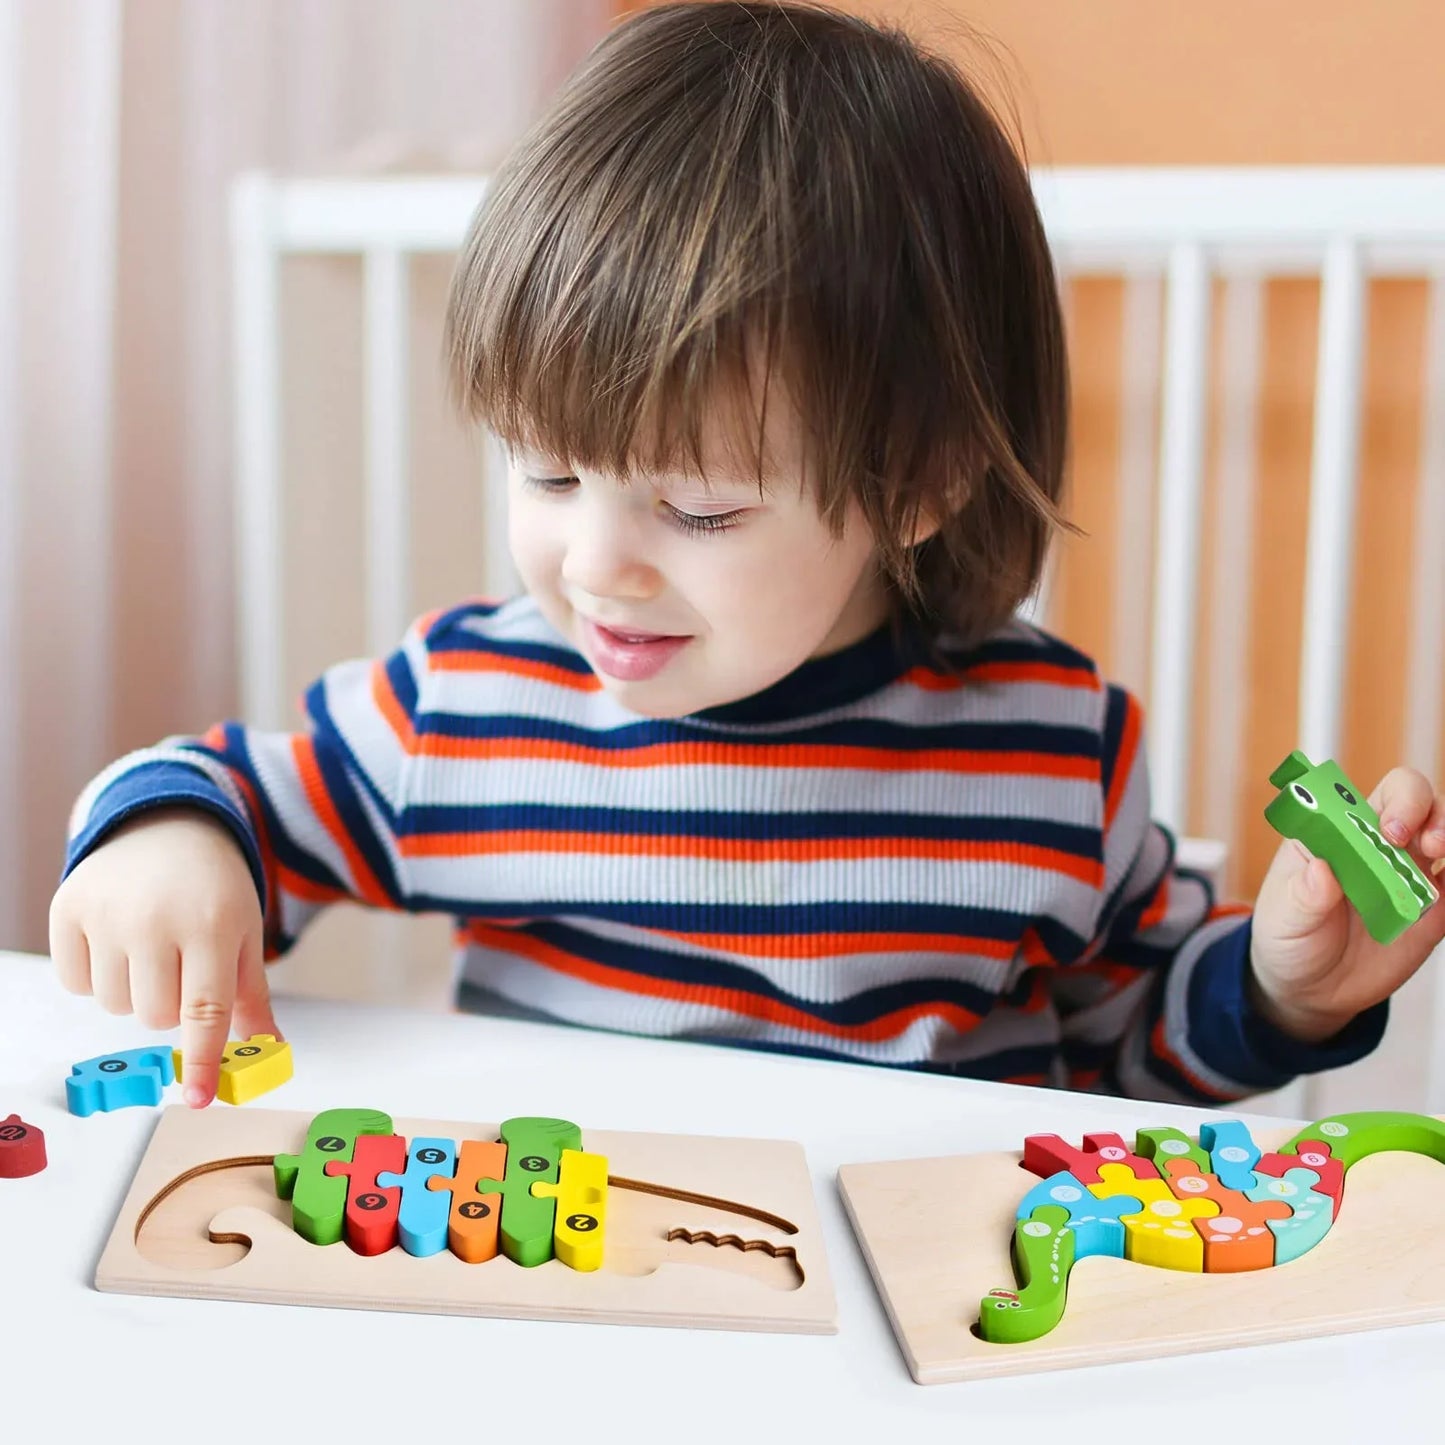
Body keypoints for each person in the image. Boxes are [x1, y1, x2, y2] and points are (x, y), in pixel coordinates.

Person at [49, 2, 1445, 1109]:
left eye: (696, 510)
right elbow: (236, 789)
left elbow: (1128, 1052)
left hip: (906, 1329)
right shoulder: (467, 706)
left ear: (915, 483)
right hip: (576, 1297)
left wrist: (1279, 992)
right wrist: (171, 839)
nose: (596, 563)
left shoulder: (1050, 751)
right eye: (546, 469)